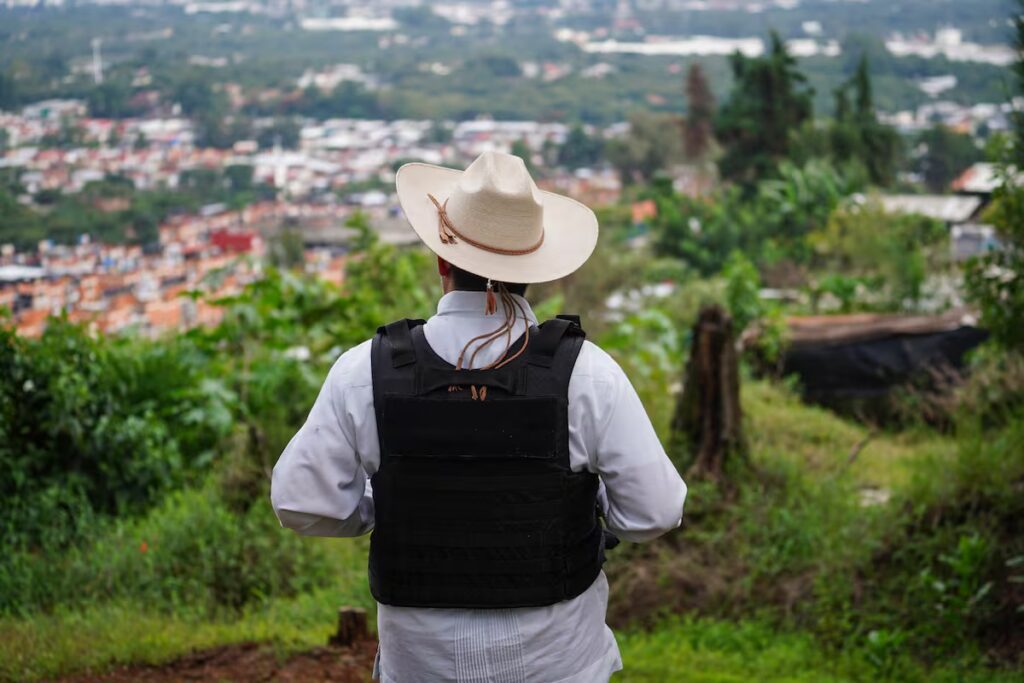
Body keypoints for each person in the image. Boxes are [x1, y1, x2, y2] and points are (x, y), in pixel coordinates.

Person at [271, 150, 687, 682]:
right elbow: (655, 511)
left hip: (418, 669)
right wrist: (583, 500)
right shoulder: (589, 376)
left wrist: (390, 504)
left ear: (443, 260)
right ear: (535, 270)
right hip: (559, 668)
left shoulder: (365, 372)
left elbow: (300, 501)